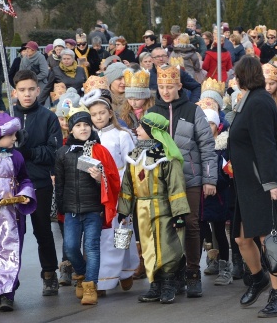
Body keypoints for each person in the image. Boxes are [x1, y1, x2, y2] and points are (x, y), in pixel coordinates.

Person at [228, 56, 277, 317]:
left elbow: (265, 145)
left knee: (270, 240)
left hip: (262, 183)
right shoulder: (249, 100)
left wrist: (272, 183)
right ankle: (259, 279)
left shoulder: (257, 102)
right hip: (247, 185)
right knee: (241, 238)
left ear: (241, 77)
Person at [148, 64, 218, 299]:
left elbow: (207, 146)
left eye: (170, 86)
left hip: (190, 178)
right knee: (167, 226)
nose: (165, 91)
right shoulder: (152, 112)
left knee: (191, 223)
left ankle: (192, 272)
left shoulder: (192, 110)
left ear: (179, 85)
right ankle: (172, 273)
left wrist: (209, 178)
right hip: (162, 181)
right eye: (161, 87)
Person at [117, 112, 190, 304]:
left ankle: (168, 283)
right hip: (141, 209)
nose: (137, 130)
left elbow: (176, 187)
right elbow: (127, 185)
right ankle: (155, 284)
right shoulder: (134, 156)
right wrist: (124, 209)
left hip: (163, 208)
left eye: (141, 127)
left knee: (166, 246)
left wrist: (179, 214)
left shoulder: (166, 158)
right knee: (148, 248)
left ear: (153, 131)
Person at [54, 104, 121, 305]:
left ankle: (91, 286)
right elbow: (60, 183)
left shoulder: (99, 150)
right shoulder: (63, 153)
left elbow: (113, 178)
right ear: (71, 129)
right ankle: (82, 274)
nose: (83, 129)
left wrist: (101, 179)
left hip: (93, 209)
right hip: (71, 211)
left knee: (92, 247)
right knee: (71, 247)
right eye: (79, 125)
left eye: (87, 125)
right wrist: (60, 209)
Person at [80, 89, 137, 296]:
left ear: (110, 113)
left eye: (101, 113)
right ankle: (105, 276)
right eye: (93, 115)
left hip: (119, 190)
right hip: (98, 191)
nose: (98, 118)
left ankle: (124, 271)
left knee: (121, 232)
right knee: (102, 236)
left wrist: (124, 190)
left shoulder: (122, 135)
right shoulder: (90, 140)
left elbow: (130, 165)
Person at [12, 70, 63, 296]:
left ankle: (50, 273)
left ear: (38, 90)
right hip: (12, 184)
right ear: (15, 92)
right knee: (12, 234)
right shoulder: (6, 116)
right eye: (22, 90)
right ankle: (8, 279)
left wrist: (28, 151)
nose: (27, 94)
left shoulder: (47, 117)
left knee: (43, 230)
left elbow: (54, 152)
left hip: (39, 182)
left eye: (31, 89)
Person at [0, 113, 37, 311]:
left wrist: (25, 193)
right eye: (12, 135)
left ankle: (7, 294)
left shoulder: (17, 156)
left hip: (13, 214)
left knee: (12, 252)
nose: (15, 138)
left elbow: (25, 179)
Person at [200, 107, 234, 286]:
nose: (207, 126)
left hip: (218, 195)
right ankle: (211, 258)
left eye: (211, 123)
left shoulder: (222, 146)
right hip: (202, 197)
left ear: (218, 126)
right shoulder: (197, 144)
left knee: (220, 232)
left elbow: (228, 172)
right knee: (203, 229)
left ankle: (224, 267)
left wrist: (216, 182)